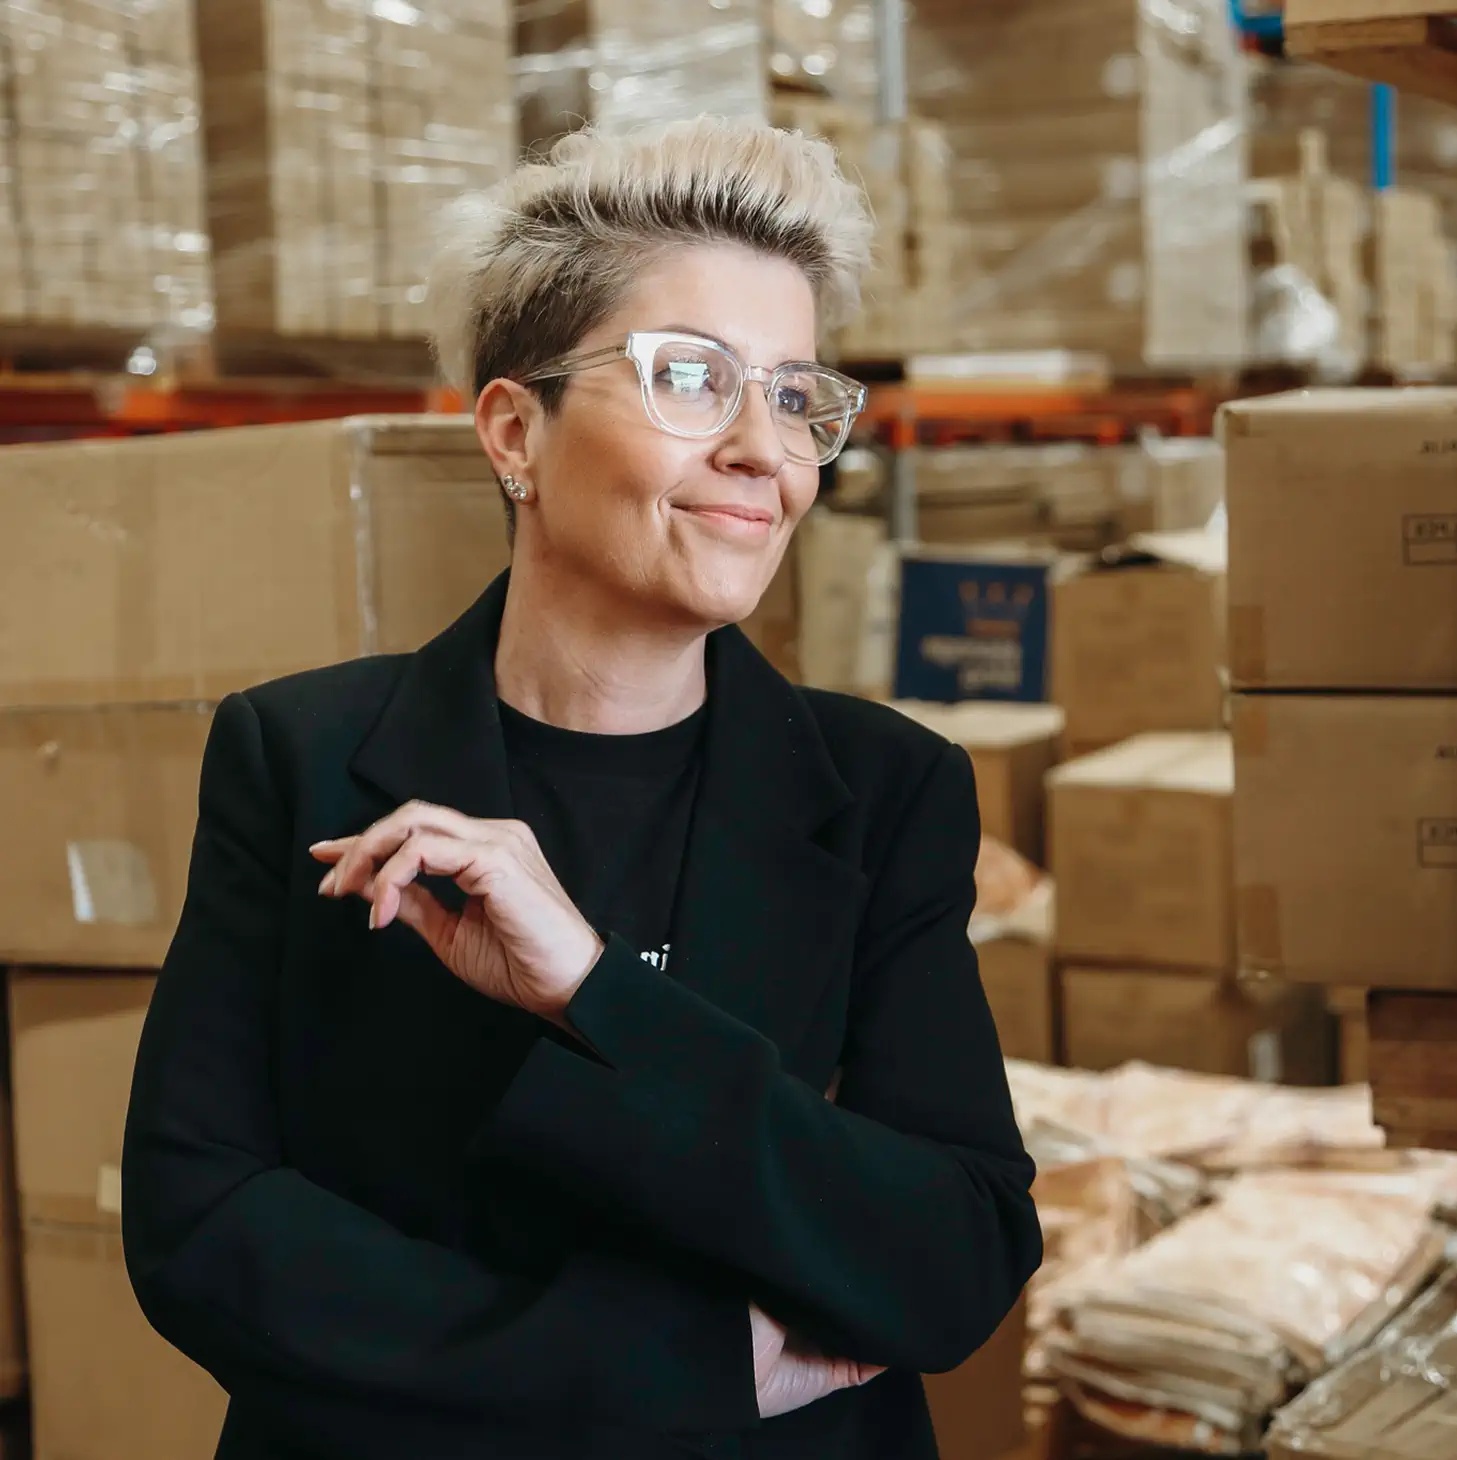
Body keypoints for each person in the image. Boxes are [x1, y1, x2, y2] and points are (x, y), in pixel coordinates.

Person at [122, 115, 1042, 1460]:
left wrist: (597, 991)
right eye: (691, 378)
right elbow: (202, 1225)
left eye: (794, 396)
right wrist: (676, 1368)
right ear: (514, 430)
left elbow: (952, 1257)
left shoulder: (886, 788)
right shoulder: (302, 757)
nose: (763, 450)